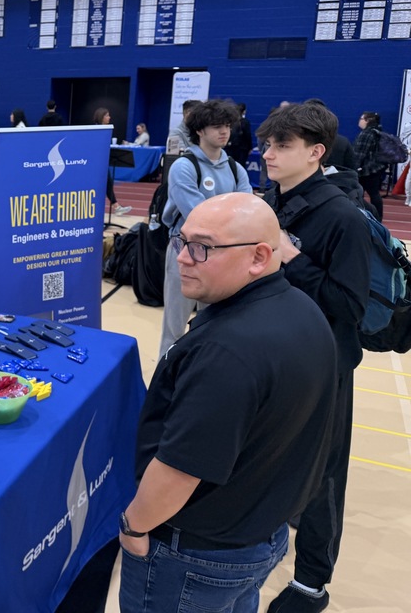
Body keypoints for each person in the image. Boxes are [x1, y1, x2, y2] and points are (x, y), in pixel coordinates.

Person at [119, 192, 338, 613]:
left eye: (202, 248)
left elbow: (180, 469)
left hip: (197, 553)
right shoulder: (302, 310)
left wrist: (133, 525)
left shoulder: (228, 353)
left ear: (258, 256)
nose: (182, 258)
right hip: (258, 531)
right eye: (181, 241)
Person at [257, 103, 372, 613]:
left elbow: (348, 305)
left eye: (282, 145)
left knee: (323, 475)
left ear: (315, 152)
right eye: (267, 144)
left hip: (323, 363)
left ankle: (311, 583)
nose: (269, 154)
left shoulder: (342, 215)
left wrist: (293, 257)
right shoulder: (272, 201)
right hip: (269, 350)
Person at [158, 99, 251, 356]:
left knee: (211, 323)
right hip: (185, 252)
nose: (224, 132)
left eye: (228, 126)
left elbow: (247, 212)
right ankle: (165, 380)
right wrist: (231, 217)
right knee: (174, 327)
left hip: (221, 256)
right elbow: (199, 217)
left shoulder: (236, 169)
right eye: (217, 126)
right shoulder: (184, 167)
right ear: (199, 130)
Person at [94, 108, 131, 217]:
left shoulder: (106, 130)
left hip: (103, 162)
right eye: (107, 115)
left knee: (108, 183)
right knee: (105, 183)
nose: (109, 117)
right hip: (97, 163)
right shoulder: (96, 130)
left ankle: (116, 206)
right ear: (101, 117)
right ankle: (115, 206)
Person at [353, 110, 386, 219]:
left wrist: (354, 168)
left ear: (367, 120)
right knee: (374, 194)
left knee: (358, 194)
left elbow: (360, 153)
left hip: (365, 170)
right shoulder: (377, 131)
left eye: (361, 119)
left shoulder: (366, 134)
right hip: (375, 169)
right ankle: (378, 217)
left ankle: (359, 216)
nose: (359, 121)